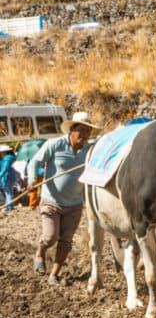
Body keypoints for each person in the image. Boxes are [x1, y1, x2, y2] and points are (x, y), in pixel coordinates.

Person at [28, 112, 101, 285]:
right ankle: (40, 252)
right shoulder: (55, 144)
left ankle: (54, 274)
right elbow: (35, 162)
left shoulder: (90, 149)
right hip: (51, 201)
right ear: (71, 130)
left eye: (88, 132)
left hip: (75, 204)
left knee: (66, 241)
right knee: (50, 236)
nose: (85, 135)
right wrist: (32, 179)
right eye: (81, 131)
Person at [0, 144, 17, 211]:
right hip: (5, 176)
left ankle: (9, 207)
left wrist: (0, 175)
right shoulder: (4, 158)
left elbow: (5, 168)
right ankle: (8, 206)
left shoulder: (8, 158)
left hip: (7, 176)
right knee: (7, 192)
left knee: (8, 192)